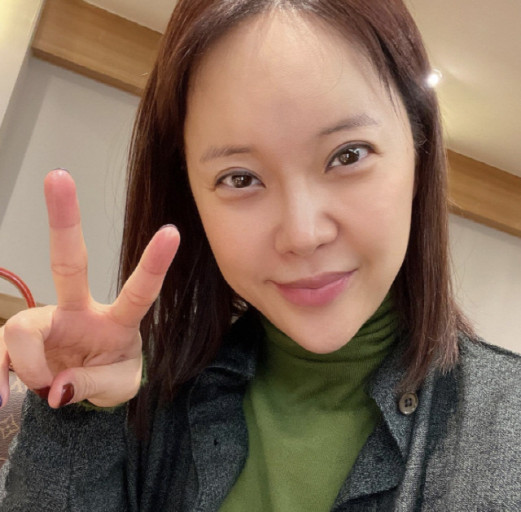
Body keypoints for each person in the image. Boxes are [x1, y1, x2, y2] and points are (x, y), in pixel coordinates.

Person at [0, 0, 520, 510]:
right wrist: (80, 414)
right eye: (240, 178)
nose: (302, 234)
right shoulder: (144, 400)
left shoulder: (506, 431)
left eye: (348, 155)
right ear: (192, 199)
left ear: (419, 154)